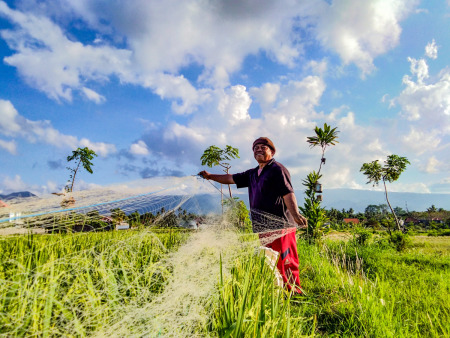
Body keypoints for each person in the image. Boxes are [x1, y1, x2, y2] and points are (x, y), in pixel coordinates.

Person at [198, 137, 308, 294]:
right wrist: (210, 176)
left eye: (263, 147)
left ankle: (293, 292)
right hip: (263, 227)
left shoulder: (277, 169)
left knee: (286, 260)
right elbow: (230, 178)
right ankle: (277, 291)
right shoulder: (252, 173)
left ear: (272, 151)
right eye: (256, 148)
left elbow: (287, 192)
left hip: (281, 225)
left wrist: (295, 214)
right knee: (269, 260)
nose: (259, 149)